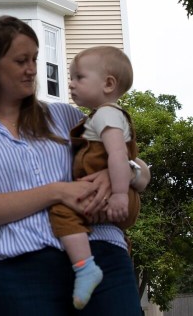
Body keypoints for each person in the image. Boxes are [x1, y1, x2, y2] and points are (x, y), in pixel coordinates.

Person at [0, 16, 149, 316]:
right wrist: (58, 192)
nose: (32, 69)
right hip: (22, 270)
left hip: (102, 254)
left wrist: (118, 173)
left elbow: (141, 172)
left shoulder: (65, 117)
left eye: (35, 59)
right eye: (20, 60)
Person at [49, 46, 141, 309]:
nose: (71, 84)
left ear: (108, 83)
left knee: (60, 209)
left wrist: (121, 194)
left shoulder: (107, 115)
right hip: (115, 193)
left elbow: (117, 155)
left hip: (113, 194)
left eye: (79, 77)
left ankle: (85, 267)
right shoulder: (100, 116)